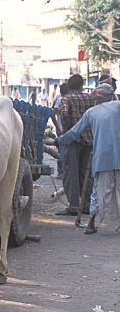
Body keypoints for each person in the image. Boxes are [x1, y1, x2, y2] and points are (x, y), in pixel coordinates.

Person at [58, 97, 120, 234]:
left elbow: (74, 132)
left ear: (96, 100)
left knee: (98, 191)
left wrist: (60, 141)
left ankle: (91, 223)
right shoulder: (117, 106)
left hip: (103, 158)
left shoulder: (92, 112)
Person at [56, 74, 95, 216]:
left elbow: (64, 117)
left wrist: (64, 134)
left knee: (70, 173)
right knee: (86, 173)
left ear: (69, 86)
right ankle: (87, 205)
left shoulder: (66, 99)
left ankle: (73, 206)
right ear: (81, 86)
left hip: (73, 141)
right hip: (89, 141)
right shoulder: (90, 98)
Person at [50, 82, 70, 177]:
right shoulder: (61, 100)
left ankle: (62, 171)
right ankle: (60, 171)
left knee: (63, 151)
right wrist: (58, 128)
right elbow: (52, 114)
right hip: (62, 130)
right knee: (62, 152)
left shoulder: (63, 99)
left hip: (63, 130)